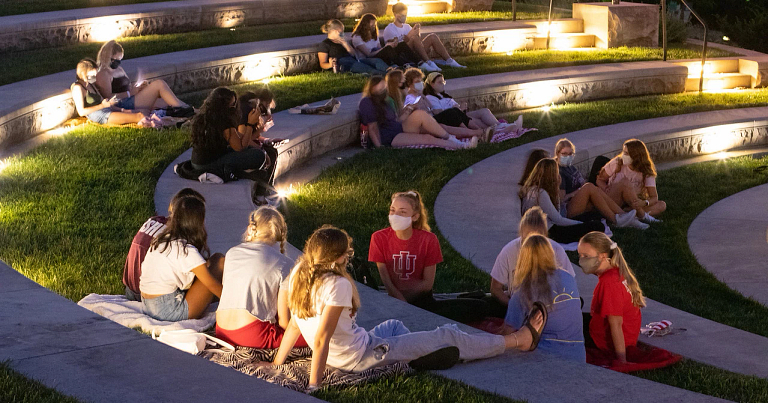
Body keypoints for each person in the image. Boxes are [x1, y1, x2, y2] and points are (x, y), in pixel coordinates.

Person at [268, 225, 546, 391]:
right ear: (339, 256)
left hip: (360, 345)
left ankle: (422, 353)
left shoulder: (298, 276)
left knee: (395, 327)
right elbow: (321, 338)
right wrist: (314, 386)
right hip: (360, 357)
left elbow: (294, 324)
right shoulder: (336, 285)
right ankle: (518, 340)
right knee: (448, 334)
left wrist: (276, 364)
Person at [370, 191, 489, 323]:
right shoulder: (378, 238)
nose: (395, 215)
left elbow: (427, 284)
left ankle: (479, 297)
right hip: (392, 300)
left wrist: (406, 303)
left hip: (422, 302)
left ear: (414, 217)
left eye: (402, 212)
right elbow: (386, 281)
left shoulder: (429, 239)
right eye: (392, 210)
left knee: (480, 307)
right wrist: (399, 302)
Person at [215, 207, 308, 349]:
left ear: (251, 228)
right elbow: (284, 322)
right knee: (315, 335)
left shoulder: (231, 253)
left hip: (221, 330)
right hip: (250, 335)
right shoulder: (285, 263)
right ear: (280, 233)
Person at [139, 196, 224, 321]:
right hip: (168, 310)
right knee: (219, 261)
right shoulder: (186, 250)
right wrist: (235, 305)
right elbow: (210, 283)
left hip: (147, 305)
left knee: (209, 267)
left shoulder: (163, 239)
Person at [505, 234, 585, 362]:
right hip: (579, 356)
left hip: (547, 360)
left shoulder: (523, 291)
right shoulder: (568, 277)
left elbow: (508, 332)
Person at [189, 87, 272, 204]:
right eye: (232, 105)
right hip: (207, 165)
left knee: (258, 152)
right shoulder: (223, 121)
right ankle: (256, 190)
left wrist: (260, 141)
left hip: (197, 161)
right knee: (258, 156)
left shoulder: (205, 116)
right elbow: (240, 147)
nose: (234, 108)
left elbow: (239, 138)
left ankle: (259, 191)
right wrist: (249, 124)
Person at [123, 188, 205, 302]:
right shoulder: (175, 235)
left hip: (130, 289)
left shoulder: (154, 221)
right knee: (205, 276)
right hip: (149, 295)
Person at [490, 207, 574, 317]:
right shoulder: (509, 251)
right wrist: (514, 307)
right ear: (521, 233)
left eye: (538, 238)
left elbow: (569, 286)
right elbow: (495, 288)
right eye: (528, 238)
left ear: (545, 235)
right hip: (519, 308)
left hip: (550, 309)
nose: (532, 243)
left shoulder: (557, 251)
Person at [578, 232, 644, 363]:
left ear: (602, 256)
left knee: (562, 323)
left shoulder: (609, 283)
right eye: (580, 255)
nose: (582, 260)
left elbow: (616, 323)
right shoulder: (615, 272)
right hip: (624, 336)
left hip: (605, 342)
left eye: (586, 256)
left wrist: (621, 359)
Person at [358, 76, 477, 149]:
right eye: (379, 89)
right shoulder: (367, 102)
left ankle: (467, 136)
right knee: (427, 138)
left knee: (421, 115)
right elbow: (372, 128)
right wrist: (380, 148)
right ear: (371, 88)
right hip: (389, 137)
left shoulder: (385, 101)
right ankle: (460, 146)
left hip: (397, 127)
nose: (382, 91)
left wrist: (408, 110)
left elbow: (394, 120)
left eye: (383, 88)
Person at [554, 138, 647, 229]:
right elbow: (561, 200)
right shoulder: (559, 171)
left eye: (570, 154)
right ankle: (616, 220)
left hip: (582, 202)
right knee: (589, 187)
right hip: (568, 209)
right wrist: (576, 193)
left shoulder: (571, 167)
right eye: (564, 154)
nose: (567, 156)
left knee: (596, 190)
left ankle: (626, 218)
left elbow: (582, 183)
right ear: (557, 154)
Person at [519, 158, 605, 244]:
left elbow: (557, 212)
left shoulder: (534, 189)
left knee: (594, 215)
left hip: (553, 226)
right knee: (598, 226)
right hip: (552, 232)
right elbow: (558, 219)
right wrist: (581, 224)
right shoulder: (541, 193)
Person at [94, 40, 190, 114]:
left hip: (132, 97)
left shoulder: (119, 69)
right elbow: (108, 98)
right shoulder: (103, 74)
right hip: (123, 103)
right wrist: (130, 93)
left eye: (120, 59)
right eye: (116, 59)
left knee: (168, 101)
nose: (118, 62)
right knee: (159, 84)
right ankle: (186, 111)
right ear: (108, 57)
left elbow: (128, 86)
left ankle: (191, 110)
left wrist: (139, 88)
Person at [402, 68, 492, 142]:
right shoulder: (409, 97)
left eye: (421, 81)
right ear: (410, 83)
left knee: (455, 111)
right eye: (417, 81)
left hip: (432, 117)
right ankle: (475, 132)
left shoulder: (421, 95)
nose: (420, 84)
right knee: (451, 112)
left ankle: (479, 131)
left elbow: (431, 109)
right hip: (426, 122)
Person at [423, 72, 522, 134]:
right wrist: (459, 109)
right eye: (439, 82)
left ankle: (502, 127)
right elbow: (441, 114)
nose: (442, 85)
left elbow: (455, 108)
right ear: (431, 84)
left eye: (443, 82)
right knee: (478, 122)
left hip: (460, 114)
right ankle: (503, 129)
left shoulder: (444, 95)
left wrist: (462, 107)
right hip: (454, 119)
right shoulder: (431, 97)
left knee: (484, 111)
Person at [382, 2, 466, 72]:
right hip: (403, 55)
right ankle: (428, 62)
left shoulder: (407, 26)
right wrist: (410, 36)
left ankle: (449, 61)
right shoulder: (390, 29)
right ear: (396, 14)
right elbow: (395, 46)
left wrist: (417, 33)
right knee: (413, 38)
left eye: (406, 14)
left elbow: (417, 41)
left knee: (432, 36)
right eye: (402, 15)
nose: (405, 17)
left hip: (415, 51)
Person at [597, 139, 666, 223]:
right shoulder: (617, 163)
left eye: (626, 154)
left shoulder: (645, 172)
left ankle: (629, 214)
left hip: (631, 204)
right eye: (623, 152)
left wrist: (644, 203)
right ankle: (642, 215)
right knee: (625, 182)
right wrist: (605, 188)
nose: (623, 155)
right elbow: (599, 180)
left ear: (636, 156)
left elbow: (654, 197)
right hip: (614, 199)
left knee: (662, 205)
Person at [237, 89, 283, 204]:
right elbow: (244, 140)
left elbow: (252, 136)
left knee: (272, 151)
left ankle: (267, 189)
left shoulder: (253, 110)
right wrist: (262, 149)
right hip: (237, 148)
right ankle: (260, 195)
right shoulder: (247, 110)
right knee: (268, 154)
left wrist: (267, 140)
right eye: (267, 106)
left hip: (243, 143)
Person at [70, 58, 146, 125]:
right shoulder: (78, 88)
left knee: (144, 112)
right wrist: (102, 106)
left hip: (105, 109)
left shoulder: (90, 84)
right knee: (139, 116)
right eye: (92, 75)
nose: (95, 77)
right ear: (83, 74)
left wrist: (122, 110)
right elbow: (81, 112)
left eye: (95, 75)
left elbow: (103, 102)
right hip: (98, 114)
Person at [318, 19, 389, 75]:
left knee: (376, 61)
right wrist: (330, 65)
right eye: (341, 32)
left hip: (355, 60)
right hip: (344, 63)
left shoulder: (342, 41)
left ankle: (389, 70)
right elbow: (322, 63)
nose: (342, 34)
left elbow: (353, 54)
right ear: (334, 31)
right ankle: (383, 75)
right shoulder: (325, 44)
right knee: (365, 68)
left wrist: (344, 43)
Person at [350, 14, 418, 68]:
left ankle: (419, 63)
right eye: (371, 25)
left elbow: (379, 48)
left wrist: (391, 45)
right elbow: (368, 54)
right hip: (368, 58)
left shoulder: (374, 35)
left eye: (374, 25)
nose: (373, 27)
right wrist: (385, 47)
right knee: (388, 48)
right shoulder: (357, 37)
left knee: (401, 45)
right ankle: (403, 65)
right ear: (365, 25)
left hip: (377, 53)